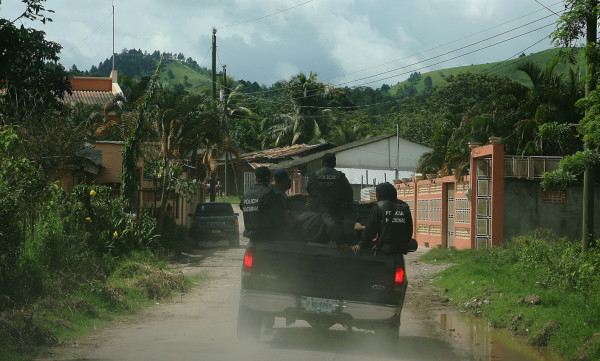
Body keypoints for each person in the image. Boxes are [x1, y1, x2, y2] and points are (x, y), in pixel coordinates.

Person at [306, 152, 353, 252]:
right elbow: (349, 194)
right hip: (335, 213)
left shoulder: (314, 175)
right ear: (334, 163)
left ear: (322, 163)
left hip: (316, 213)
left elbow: (309, 189)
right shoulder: (340, 176)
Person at [352, 182, 413, 255]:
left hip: (383, 251)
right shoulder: (404, 209)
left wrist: (361, 244)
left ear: (377, 195)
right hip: (400, 251)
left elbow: (370, 230)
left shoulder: (378, 208)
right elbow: (409, 230)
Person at [240, 167, 288, 241]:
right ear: (269, 179)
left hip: (252, 238)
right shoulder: (270, 194)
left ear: (255, 179)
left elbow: (242, 207)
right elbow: (282, 215)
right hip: (270, 238)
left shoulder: (246, 195)